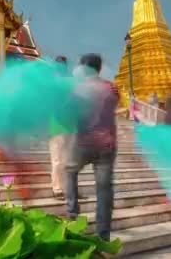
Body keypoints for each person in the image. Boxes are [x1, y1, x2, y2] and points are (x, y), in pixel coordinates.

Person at [65, 54, 118, 241]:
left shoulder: (77, 89)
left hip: (83, 142)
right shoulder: (111, 87)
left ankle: (72, 215)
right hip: (106, 144)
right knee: (104, 190)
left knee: (70, 171)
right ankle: (103, 235)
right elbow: (114, 103)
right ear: (99, 68)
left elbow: (69, 113)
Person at [48, 56, 78, 200]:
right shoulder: (52, 84)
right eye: (60, 65)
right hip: (57, 126)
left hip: (70, 126)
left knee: (69, 161)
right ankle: (57, 188)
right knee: (57, 160)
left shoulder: (70, 82)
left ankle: (70, 189)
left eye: (64, 64)